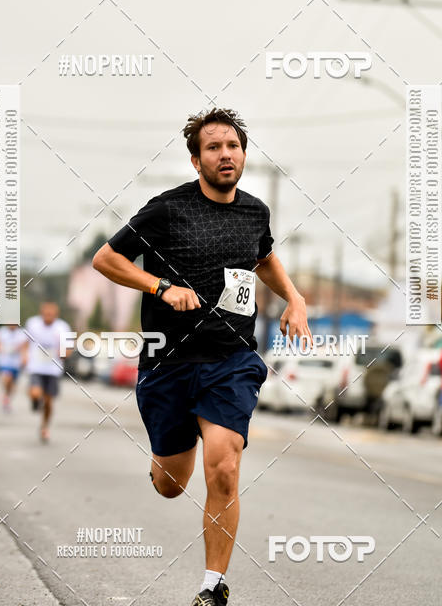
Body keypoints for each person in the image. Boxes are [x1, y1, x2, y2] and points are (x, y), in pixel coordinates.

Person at [93, 108, 311, 606]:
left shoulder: (255, 212)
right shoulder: (166, 210)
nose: (225, 154)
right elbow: (107, 259)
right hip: (169, 364)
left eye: (232, 146)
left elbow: (263, 256)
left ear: (244, 154)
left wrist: (295, 298)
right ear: (196, 160)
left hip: (231, 360)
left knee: (225, 467)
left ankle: (212, 586)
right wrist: (160, 286)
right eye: (213, 148)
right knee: (171, 484)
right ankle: (167, 458)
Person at [24, 302, 71, 442]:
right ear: (41, 313)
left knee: (49, 402)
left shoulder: (63, 327)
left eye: (51, 314)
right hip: (36, 366)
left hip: (53, 369)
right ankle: (35, 401)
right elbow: (25, 342)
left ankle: (44, 427)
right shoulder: (32, 323)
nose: (48, 317)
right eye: (45, 314)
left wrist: (63, 352)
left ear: (56, 315)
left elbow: (68, 349)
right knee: (35, 392)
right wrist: (24, 355)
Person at [0, 324, 27, 411]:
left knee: (12, 384)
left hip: (16, 363)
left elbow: (25, 348)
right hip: (4, 361)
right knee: (7, 377)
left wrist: (24, 358)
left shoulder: (22, 334)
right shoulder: (1, 331)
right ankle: (5, 396)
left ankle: (7, 397)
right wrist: (2, 349)